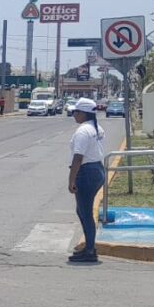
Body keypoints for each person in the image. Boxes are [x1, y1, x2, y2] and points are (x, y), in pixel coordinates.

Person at [67, 98, 105, 263]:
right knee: (82, 210)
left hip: (86, 172)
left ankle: (90, 250)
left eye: (76, 112)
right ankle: (89, 246)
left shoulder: (83, 131)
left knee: (85, 212)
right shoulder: (96, 128)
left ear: (83, 113)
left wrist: (71, 179)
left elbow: (78, 157)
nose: (74, 115)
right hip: (97, 170)